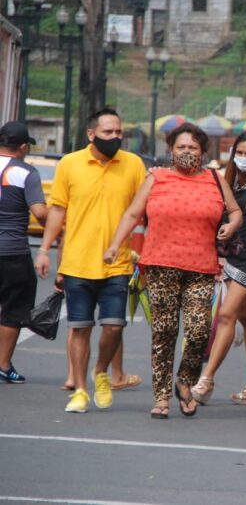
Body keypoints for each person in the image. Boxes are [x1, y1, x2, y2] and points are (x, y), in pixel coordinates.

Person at [104, 123, 241, 419]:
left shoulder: (216, 179)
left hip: (202, 268)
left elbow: (236, 211)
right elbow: (132, 213)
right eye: (181, 147)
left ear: (203, 151)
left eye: (193, 147)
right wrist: (116, 244)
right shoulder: (156, 178)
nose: (187, 152)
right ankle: (162, 396)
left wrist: (232, 225)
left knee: (198, 331)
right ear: (170, 150)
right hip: (160, 266)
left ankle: (184, 381)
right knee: (164, 332)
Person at [35, 108, 146, 413]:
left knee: (114, 326)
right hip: (77, 262)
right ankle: (81, 390)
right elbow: (57, 211)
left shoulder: (133, 164)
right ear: (91, 133)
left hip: (118, 263)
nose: (115, 137)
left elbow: (141, 212)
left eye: (119, 132)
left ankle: (101, 372)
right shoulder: (70, 164)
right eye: (108, 132)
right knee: (80, 327)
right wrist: (44, 249)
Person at [190, 131, 246, 406]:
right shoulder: (227, 180)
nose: (244, 158)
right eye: (240, 153)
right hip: (231, 258)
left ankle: (206, 381)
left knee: (226, 315)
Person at [0, 122, 47, 384]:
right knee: (14, 308)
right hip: (12, 252)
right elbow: (40, 212)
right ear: (23, 147)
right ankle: (3, 365)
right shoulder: (26, 172)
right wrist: (58, 223)